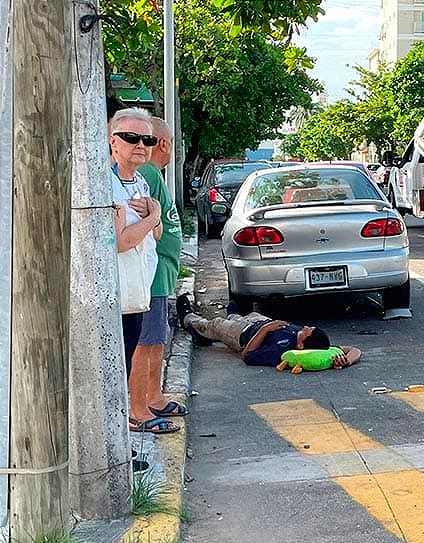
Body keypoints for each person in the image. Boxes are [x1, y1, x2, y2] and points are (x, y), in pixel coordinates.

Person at [110, 108, 179, 435]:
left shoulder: (139, 181)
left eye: (147, 140)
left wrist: (154, 216)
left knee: (138, 348)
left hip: (142, 284)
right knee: (129, 354)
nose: (140, 145)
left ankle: (135, 417)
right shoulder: (107, 185)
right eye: (131, 138)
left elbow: (157, 233)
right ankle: (135, 414)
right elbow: (121, 242)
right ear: (114, 142)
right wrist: (152, 217)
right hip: (120, 291)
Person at [128, 117, 186, 431]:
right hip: (152, 272)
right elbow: (145, 223)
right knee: (146, 341)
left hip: (161, 271)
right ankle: (139, 408)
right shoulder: (148, 172)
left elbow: (159, 222)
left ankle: (154, 397)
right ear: (165, 143)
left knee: (155, 338)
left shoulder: (150, 175)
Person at [176, 294, 362, 369]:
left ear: (300, 345)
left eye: (307, 331)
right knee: (241, 316)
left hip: (243, 334)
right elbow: (354, 349)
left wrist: (265, 330)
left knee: (215, 325)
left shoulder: (282, 349)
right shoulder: (317, 344)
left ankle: (189, 319)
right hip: (259, 321)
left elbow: (247, 355)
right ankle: (233, 314)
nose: (305, 327)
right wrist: (348, 360)